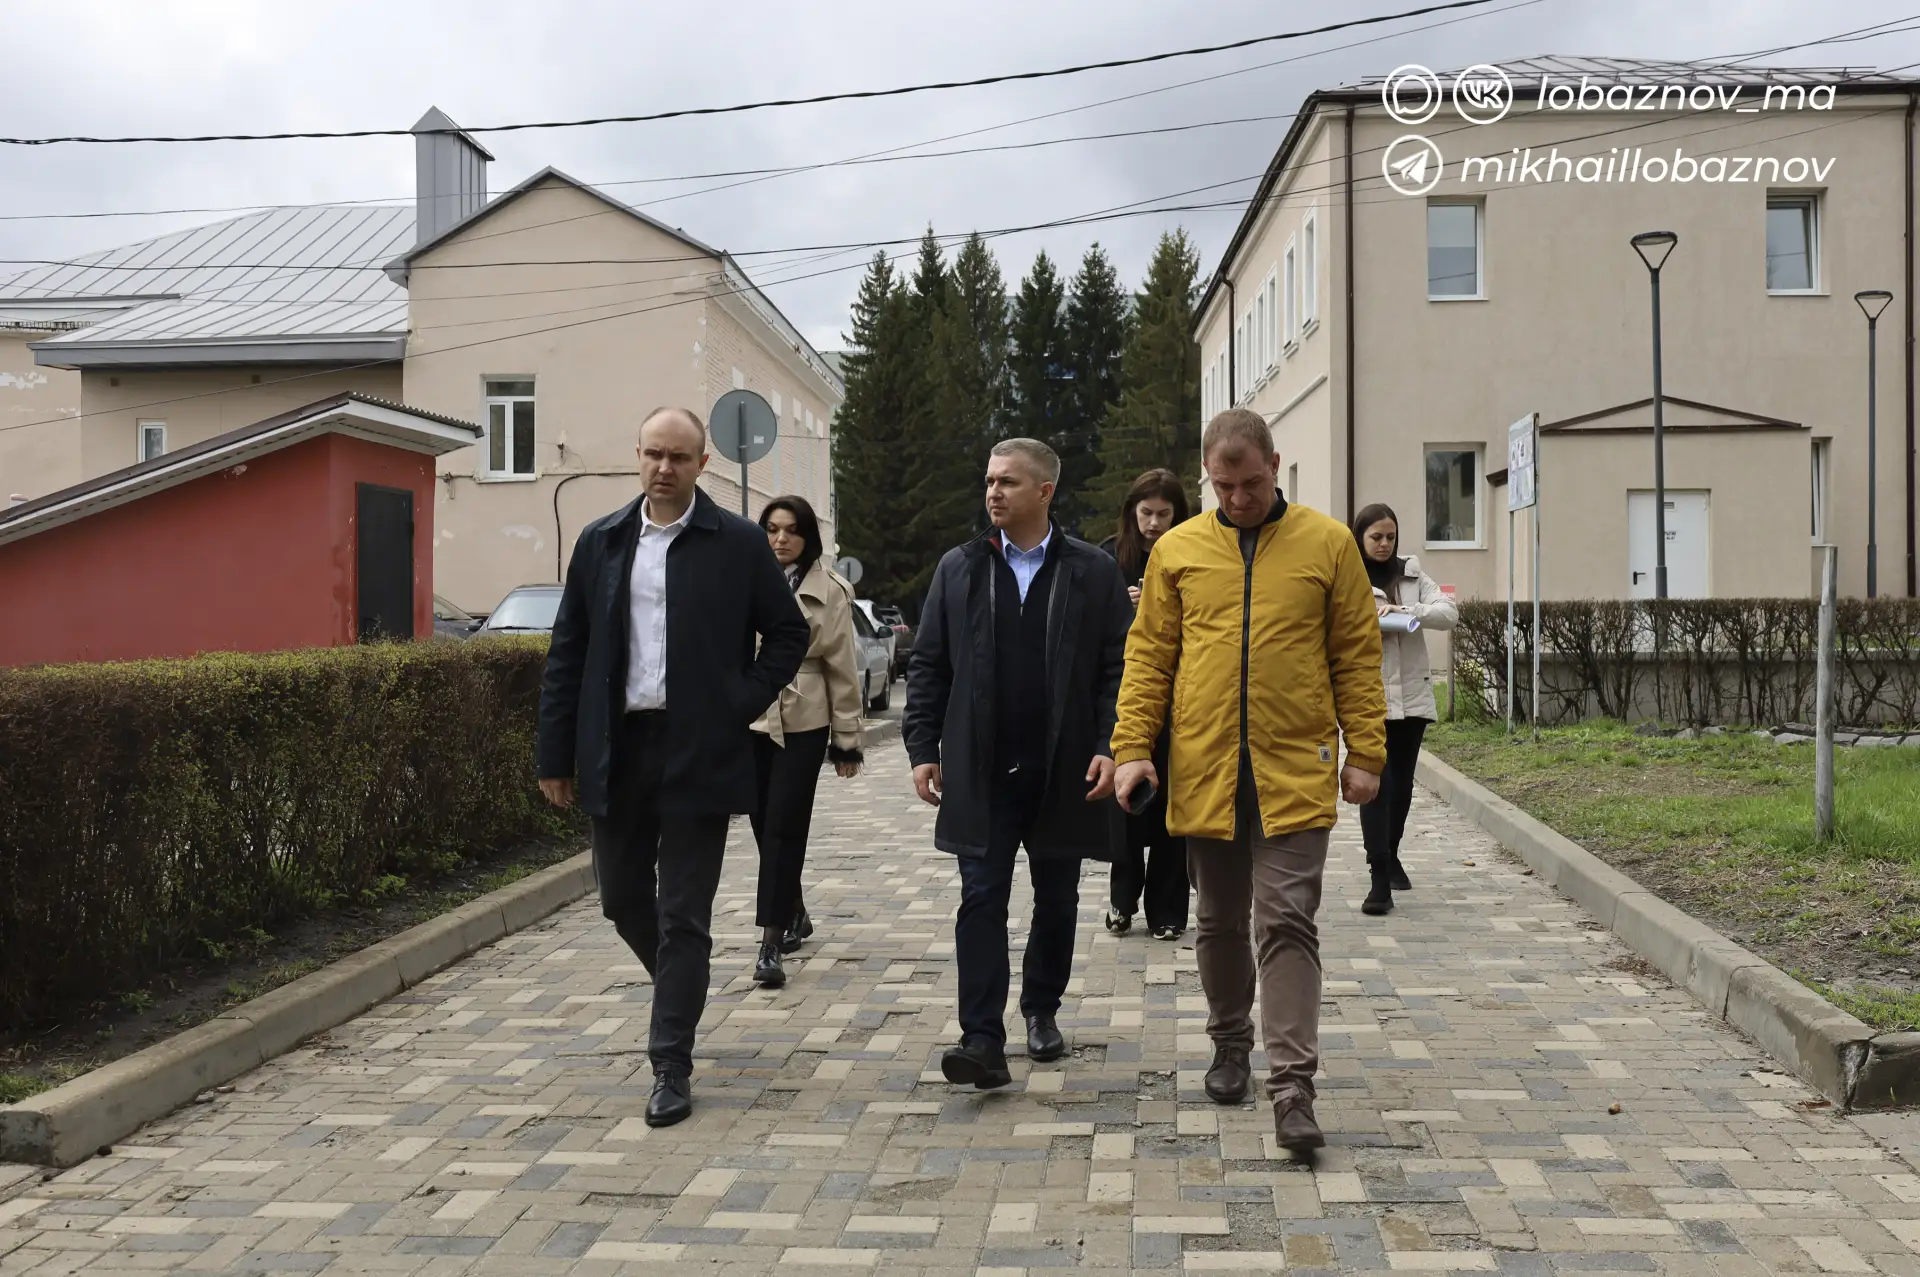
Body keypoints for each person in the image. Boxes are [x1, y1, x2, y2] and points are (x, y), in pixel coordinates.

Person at [1111, 409, 1386, 1154]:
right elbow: (1150, 659)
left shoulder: (1328, 545)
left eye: (1251, 483)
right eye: (1223, 486)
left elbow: (1357, 655)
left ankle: (1293, 1087)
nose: (1237, 498)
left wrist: (1368, 750)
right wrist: (1134, 745)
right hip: (1205, 767)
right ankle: (1230, 1040)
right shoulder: (1177, 550)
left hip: (1295, 767)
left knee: (1287, 921)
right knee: (1220, 921)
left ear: (1275, 463)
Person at [537, 407, 809, 1130]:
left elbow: (788, 632)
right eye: (653, 454)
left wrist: (738, 700)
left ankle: (670, 1064)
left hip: (701, 749)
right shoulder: (601, 541)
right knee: (623, 899)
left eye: (679, 457)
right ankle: (678, 989)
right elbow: (568, 652)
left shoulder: (739, 543)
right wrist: (553, 753)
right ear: (637, 456)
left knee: (683, 913)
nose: (665, 467)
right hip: (619, 750)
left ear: (701, 465)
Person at [905, 437, 1134, 1089]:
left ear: (1044, 491)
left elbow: (1120, 667)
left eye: (1007, 481)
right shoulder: (960, 567)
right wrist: (923, 748)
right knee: (980, 898)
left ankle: (1041, 1009)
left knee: (1057, 898)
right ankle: (981, 1036)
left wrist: (1110, 744)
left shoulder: (1090, 571)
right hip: (981, 768)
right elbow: (929, 664)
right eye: (988, 481)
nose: (993, 492)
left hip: (1065, 769)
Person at [749, 495, 865, 988]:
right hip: (750, 714)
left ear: (808, 536)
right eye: (772, 529)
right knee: (760, 823)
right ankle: (794, 909)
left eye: (791, 531)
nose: (780, 539)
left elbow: (843, 668)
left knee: (783, 825)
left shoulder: (832, 590)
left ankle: (770, 943)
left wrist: (846, 741)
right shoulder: (743, 580)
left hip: (805, 715)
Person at [1097, 469, 1192, 940]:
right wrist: (1125, 605)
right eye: (1146, 513)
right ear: (1132, 512)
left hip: (1184, 700)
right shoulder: (1105, 558)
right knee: (1127, 804)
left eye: (1164, 514)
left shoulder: (1196, 553)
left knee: (1177, 807)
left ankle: (1169, 910)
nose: (1154, 524)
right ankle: (1121, 899)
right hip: (1125, 700)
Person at [1351, 503, 1458, 917]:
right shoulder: (1349, 576)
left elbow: (1449, 612)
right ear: (1360, 537)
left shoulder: (1412, 574)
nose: (1383, 544)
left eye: (1390, 537)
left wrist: (1406, 611)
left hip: (1412, 697)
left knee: (1402, 786)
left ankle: (1392, 853)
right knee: (1374, 784)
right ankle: (1379, 876)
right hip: (1369, 698)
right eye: (1375, 537)